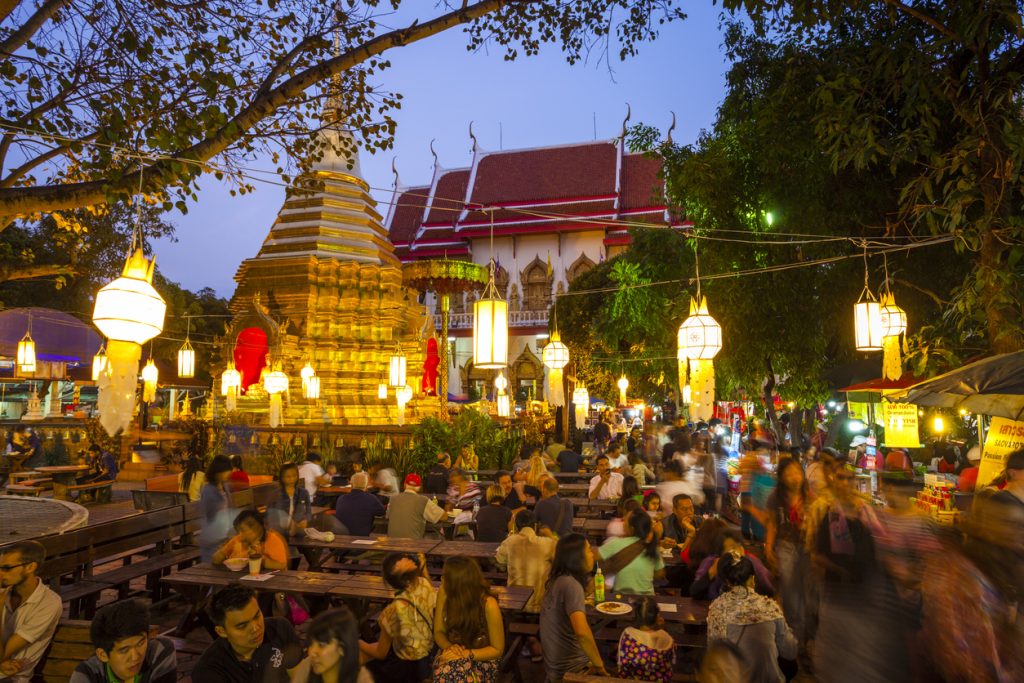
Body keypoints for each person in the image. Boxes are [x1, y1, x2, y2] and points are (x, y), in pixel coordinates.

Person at [706, 554, 797, 683]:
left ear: (726, 581)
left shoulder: (717, 609)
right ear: (753, 579)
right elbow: (790, 651)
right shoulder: (770, 606)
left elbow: (713, 653)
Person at [193, 585, 302, 683]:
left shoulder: (279, 628)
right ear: (222, 631)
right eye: (242, 626)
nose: (255, 628)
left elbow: (298, 675)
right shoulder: (209, 671)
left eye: (257, 616)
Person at [540, 534, 607, 680]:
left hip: (553, 667)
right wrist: (599, 665)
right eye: (589, 550)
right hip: (571, 669)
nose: (592, 554)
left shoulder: (557, 580)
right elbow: (582, 633)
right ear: (577, 557)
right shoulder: (571, 585)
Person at [359, 553, 436, 680]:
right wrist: (423, 568)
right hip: (428, 656)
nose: (409, 558)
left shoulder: (390, 612)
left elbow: (381, 653)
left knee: (359, 655)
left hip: (406, 668)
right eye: (405, 559)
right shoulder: (424, 584)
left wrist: (359, 642)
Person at [432, 557, 505, 683]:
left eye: (445, 577)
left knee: (452, 676)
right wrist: (451, 647)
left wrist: (466, 654)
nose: (441, 579)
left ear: (458, 582)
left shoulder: (488, 604)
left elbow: (497, 650)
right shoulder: (444, 592)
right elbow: (438, 631)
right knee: (446, 674)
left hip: (482, 658)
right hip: (453, 653)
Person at [763, 458, 812, 644]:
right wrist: (768, 547)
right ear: (782, 477)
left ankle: (806, 636)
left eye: (797, 472)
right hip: (786, 546)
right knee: (790, 591)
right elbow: (772, 524)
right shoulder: (775, 498)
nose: (794, 477)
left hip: (808, 547)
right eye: (789, 473)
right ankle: (795, 637)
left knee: (808, 592)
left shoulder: (810, 496)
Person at [70, 600, 176, 683]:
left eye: (141, 643)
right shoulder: (86, 674)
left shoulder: (159, 652)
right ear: (103, 655)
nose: (135, 657)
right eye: (124, 650)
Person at [0, 541, 61, 683]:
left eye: (7, 568)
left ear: (30, 567)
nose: (0, 573)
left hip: (11, 679)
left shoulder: (48, 603)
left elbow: (3, 655)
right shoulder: (4, 590)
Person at [496, 510, 556, 614]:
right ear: (535, 526)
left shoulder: (509, 542)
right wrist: (551, 536)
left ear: (517, 526)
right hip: (539, 604)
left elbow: (500, 563)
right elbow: (563, 556)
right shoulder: (548, 543)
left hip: (515, 604)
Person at [291, 607, 372, 683]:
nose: (311, 652)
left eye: (321, 645)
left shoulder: (361, 679)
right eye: (311, 644)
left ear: (342, 648)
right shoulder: (307, 667)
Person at [691, 529, 774, 600]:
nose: (738, 550)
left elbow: (769, 589)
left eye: (739, 546)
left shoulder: (751, 561)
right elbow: (694, 592)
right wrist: (711, 573)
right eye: (732, 547)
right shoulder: (710, 562)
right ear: (721, 553)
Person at [597, 510, 665, 595]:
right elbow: (659, 573)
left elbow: (594, 557)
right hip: (647, 598)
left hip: (621, 599)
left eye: (625, 521)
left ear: (631, 528)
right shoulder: (653, 546)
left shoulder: (616, 543)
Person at [616, 597, 675, 683]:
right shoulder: (667, 638)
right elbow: (671, 660)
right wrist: (661, 627)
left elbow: (621, 662)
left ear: (636, 615)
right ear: (657, 616)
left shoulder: (627, 634)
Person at [213, 509, 289, 571]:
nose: (240, 534)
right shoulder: (237, 539)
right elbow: (216, 559)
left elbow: (281, 565)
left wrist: (260, 558)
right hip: (238, 580)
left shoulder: (272, 539)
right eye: (238, 531)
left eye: (243, 530)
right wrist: (220, 554)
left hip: (268, 585)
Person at [387, 473, 446, 539]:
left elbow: (387, 515)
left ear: (404, 484)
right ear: (419, 487)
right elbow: (443, 516)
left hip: (391, 542)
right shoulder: (423, 500)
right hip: (413, 544)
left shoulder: (393, 499)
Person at [199, 455, 235, 563]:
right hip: (213, 538)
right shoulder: (208, 490)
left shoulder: (225, 486)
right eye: (226, 471)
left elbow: (230, 508)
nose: (228, 474)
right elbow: (209, 516)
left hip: (225, 535)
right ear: (217, 472)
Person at [267, 462, 312, 537]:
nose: (292, 479)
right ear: (282, 478)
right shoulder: (275, 495)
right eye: (288, 477)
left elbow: (309, 512)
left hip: (299, 531)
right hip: (281, 533)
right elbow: (270, 518)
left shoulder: (304, 493)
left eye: (295, 476)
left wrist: (306, 520)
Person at [335, 472, 385, 536]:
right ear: (366, 485)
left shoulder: (341, 498)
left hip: (342, 536)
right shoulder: (370, 498)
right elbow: (382, 512)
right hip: (361, 536)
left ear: (351, 484)